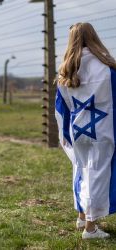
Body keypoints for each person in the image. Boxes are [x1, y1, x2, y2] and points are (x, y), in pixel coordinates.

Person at [55, 22, 116, 239]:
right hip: (104, 131)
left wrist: (65, 137)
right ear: (94, 38)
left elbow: (61, 108)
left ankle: (82, 217)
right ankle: (91, 228)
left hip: (78, 132)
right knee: (98, 174)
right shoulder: (108, 69)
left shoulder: (66, 72)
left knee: (81, 170)